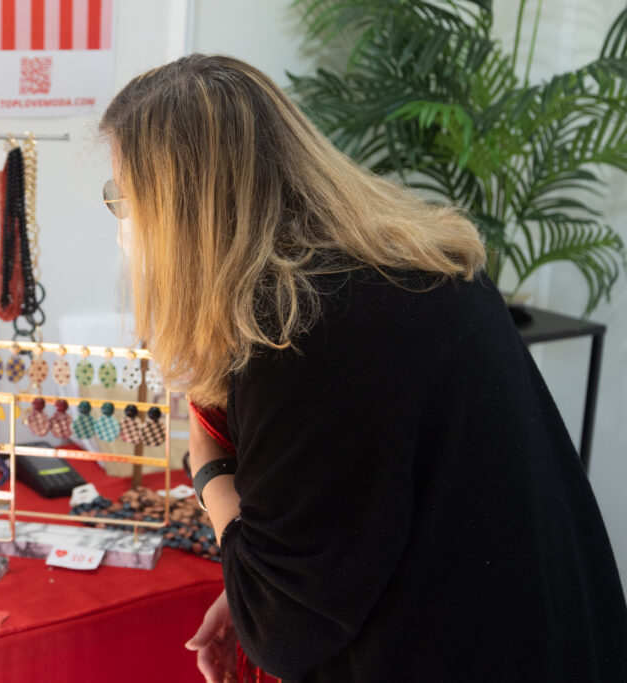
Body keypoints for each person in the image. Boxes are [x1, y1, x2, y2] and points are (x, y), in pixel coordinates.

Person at [98, 54, 627, 682]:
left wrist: (208, 466)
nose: (122, 224)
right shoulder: (422, 263)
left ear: (182, 211)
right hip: (558, 635)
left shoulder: (296, 334)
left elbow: (277, 632)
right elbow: (353, 524)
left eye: (122, 199)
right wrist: (265, 577)